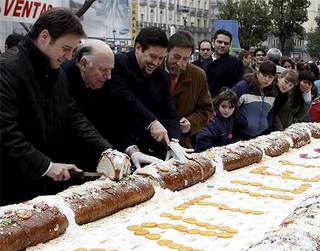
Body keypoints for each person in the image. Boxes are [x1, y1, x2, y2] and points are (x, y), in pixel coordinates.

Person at [0, 8, 115, 205]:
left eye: (72, 50)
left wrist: (107, 150)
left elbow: (74, 116)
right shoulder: (8, 69)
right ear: (45, 37)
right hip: (11, 184)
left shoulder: (57, 73)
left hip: (45, 183)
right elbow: (5, 131)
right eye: (66, 48)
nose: (70, 57)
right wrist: (46, 166)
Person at [62, 39, 161, 169]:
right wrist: (110, 152)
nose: (108, 76)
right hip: (65, 159)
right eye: (103, 70)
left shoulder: (105, 82)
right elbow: (78, 122)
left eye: (111, 70)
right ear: (83, 63)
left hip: (98, 156)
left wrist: (131, 149)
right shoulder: (62, 78)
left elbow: (113, 119)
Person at [98, 27, 182, 160]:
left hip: (148, 150)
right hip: (115, 145)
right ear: (138, 48)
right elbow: (125, 99)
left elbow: (169, 112)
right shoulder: (118, 64)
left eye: (161, 59)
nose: (156, 63)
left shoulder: (163, 77)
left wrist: (174, 142)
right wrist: (152, 122)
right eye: (153, 56)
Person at [166, 31, 213, 148]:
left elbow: (206, 110)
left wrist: (190, 123)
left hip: (182, 145)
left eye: (185, 59)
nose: (179, 63)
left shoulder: (198, 76)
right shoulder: (153, 69)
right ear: (167, 51)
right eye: (176, 57)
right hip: (149, 144)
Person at [232, 60, 277, 139]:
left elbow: (270, 113)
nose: (267, 79)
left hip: (260, 135)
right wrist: (242, 122)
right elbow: (230, 107)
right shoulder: (243, 87)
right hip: (239, 134)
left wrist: (267, 125)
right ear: (258, 73)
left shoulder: (272, 93)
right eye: (264, 75)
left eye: (270, 77)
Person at [206, 29, 244, 97]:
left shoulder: (236, 63)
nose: (222, 45)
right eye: (219, 42)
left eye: (226, 43)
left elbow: (238, 87)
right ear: (213, 42)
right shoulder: (205, 61)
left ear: (230, 45)